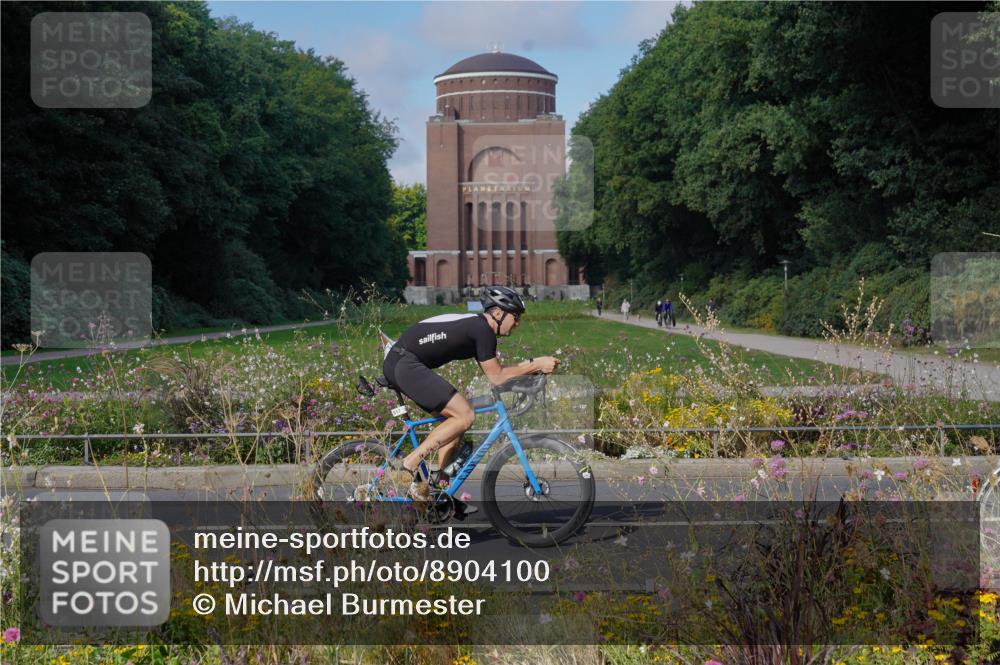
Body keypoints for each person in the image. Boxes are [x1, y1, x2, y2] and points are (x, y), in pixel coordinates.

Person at [382, 286, 560, 506]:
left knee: (455, 422)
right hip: (405, 363)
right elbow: (496, 377)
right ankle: (409, 464)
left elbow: (497, 373)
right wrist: (536, 364)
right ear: (497, 313)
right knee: (464, 415)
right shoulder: (482, 330)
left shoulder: (477, 327)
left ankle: (437, 491)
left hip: (402, 362)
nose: (517, 323)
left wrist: (527, 369)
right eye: (515, 317)